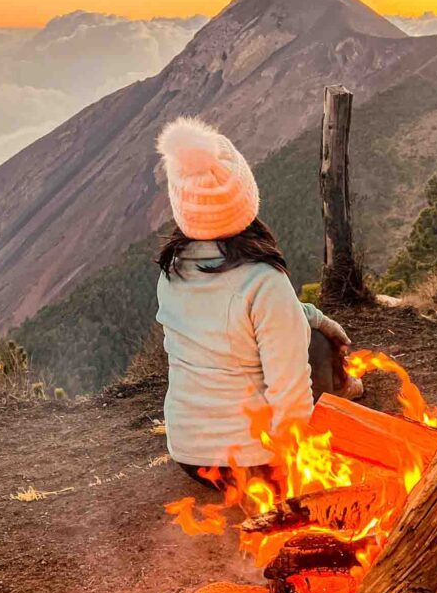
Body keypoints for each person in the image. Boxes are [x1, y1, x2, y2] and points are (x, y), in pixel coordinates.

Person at [154, 115, 360, 493]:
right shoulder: (265, 281)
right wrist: (298, 463)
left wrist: (308, 314)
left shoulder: (172, 272)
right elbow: (290, 391)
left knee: (303, 329)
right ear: (246, 197)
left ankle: (338, 381)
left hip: (190, 456)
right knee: (311, 344)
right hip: (254, 466)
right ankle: (342, 393)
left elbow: (227, 317)